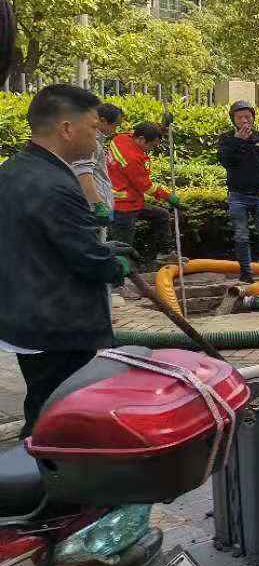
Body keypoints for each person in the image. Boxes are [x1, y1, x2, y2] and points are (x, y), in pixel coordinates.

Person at [0, 85, 130, 436]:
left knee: (43, 403)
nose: (98, 137)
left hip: (25, 318)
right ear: (66, 129)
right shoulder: (56, 184)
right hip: (60, 326)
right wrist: (114, 266)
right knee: (62, 417)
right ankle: (52, 484)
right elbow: (86, 256)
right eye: (93, 128)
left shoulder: (12, 169)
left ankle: (41, 474)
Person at [217, 100, 259, 283]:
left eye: (248, 116)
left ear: (253, 117)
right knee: (241, 235)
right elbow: (225, 161)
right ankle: (246, 272)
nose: (244, 120)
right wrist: (239, 142)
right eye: (240, 117)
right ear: (233, 120)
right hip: (237, 195)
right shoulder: (227, 139)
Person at [109, 122, 181, 266]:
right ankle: (121, 278)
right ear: (141, 139)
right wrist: (168, 196)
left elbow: (144, 129)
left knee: (162, 216)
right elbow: (146, 186)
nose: (151, 150)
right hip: (123, 206)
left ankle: (159, 255)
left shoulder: (120, 139)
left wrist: (162, 126)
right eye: (152, 146)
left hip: (132, 201)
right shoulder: (132, 158)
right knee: (123, 247)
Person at [71, 102, 124, 235]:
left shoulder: (95, 142)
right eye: (115, 125)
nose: (115, 130)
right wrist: (98, 205)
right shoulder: (90, 143)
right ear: (102, 121)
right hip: (91, 212)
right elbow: (83, 174)